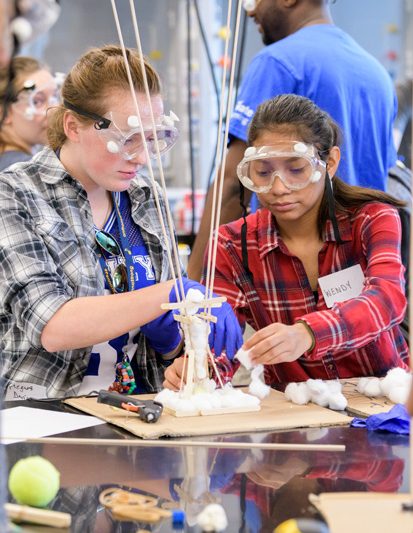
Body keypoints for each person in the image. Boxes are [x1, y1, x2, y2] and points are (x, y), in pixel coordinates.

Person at [0, 44, 242, 399]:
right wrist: (170, 295)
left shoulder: (146, 196)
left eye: (153, 138)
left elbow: (162, 348)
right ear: (73, 126)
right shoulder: (15, 194)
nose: (142, 157)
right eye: (126, 140)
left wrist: (180, 350)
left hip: (141, 411)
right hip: (46, 415)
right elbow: (52, 325)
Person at [164, 94, 408, 390]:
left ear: (329, 163)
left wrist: (307, 333)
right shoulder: (232, 245)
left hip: (383, 401)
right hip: (295, 414)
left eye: (296, 169)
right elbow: (219, 337)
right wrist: (200, 365)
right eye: (263, 172)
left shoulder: (372, 219)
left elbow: (386, 299)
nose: (279, 188)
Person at [188, 0, 398, 281]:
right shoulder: (377, 74)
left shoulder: (278, 63)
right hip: (362, 271)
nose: (249, 11)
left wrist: (194, 279)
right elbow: (381, 174)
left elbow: (232, 183)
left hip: (289, 274)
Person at [0, 55, 60, 171]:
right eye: (37, 101)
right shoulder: (23, 173)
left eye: (55, 96)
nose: (54, 109)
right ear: (3, 113)